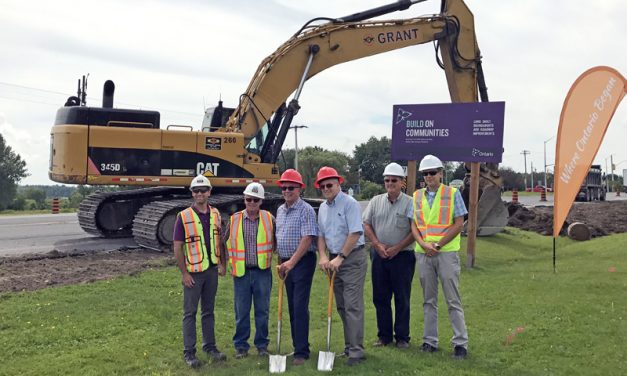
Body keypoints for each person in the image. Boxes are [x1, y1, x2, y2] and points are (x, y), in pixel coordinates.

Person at [409, 155, 469, 360]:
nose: (429, 177)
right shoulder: (416, 196)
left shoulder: (452, 194)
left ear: (441, 173)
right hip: (424, 253)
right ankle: (429, 341)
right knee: (428, 301)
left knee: (453, 300)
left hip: (446, 253)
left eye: (432, 173)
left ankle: (460, 344)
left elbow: (459, 223)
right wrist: (424, 244)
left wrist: (438, 244)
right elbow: (414, 225)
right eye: (425, 174)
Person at [172, 175, 227, 368]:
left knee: (208, 311)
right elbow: (177, 247)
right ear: (192, 193)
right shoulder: (183, 216)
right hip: (193, 274)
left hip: (211, 270)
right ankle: (189, 353)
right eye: (196, 191)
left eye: (203, 190)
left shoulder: (216, 214)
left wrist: (222, 264)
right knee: (190, 313)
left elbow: (219, 241)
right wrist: (184, 273)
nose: (199, 193)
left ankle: (210, 347)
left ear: (209, 192)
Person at [316, 166, 367, 367]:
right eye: (323, 186)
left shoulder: (350, 204)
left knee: (352, 304)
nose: (327, 188)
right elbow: (320, 235)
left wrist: (341, 257)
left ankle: (356, 352)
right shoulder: (322, 208)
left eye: (330, 184)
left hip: (352, 258)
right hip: (333, 259)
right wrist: (322, 256)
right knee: (341, 305)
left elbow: (355, 233)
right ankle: (349, 346)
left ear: (338, 184)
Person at [362, 163, 415, 349]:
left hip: (403, 257)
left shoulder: (410, 202)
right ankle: (384, 337)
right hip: (379, 255)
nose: (390, 183)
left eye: (394, 180)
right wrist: (376, 244)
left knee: (402, 297)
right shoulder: (376, 201)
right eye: (387, 180)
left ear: (402, 182)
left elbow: (414, 231)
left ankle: (402, 337)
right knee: (380, 297)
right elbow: (366, 224)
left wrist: (397, 248)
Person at [225, 183, 275, 359]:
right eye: (248, 199)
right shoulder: (234, 219)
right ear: (244, 200)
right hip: (242, 273)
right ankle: (241, 346)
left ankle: (262, 345)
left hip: (262, 272)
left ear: (261, 201)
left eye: (255, 200)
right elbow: (223, 242)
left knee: (262, 311)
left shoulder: (269, 218)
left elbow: (277, 239)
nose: (251, 202)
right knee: (242, 311)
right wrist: (224, 263)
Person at [275, 169, 318, 366]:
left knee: (299, 306)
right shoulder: (280, 210)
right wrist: (282, 262)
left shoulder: (306, 210)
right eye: (284, 187)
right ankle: (297, 345)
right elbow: (280, 237)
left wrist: (291, 262)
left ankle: (302, 352)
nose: (286, 191)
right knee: (291, 306)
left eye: (291, 187)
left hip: (301, 263)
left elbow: (308, 237)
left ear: (300, 188)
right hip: (285, 262)